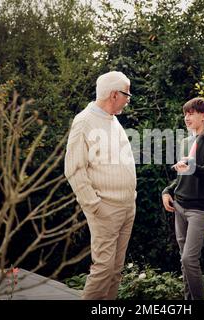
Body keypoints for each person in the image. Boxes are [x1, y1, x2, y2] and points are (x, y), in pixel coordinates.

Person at [64, 71, 137, 300]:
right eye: (127, 94)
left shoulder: (112, 120)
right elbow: (74, 169)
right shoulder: (84, 121)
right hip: (105, 207)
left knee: (115, 271)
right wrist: (94, 205)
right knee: (103, 269)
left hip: (126, 206)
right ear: (114, 94)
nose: (128, 99)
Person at [162, 97, 204, 300]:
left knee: (189, 259)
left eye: (191, 113)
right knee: (183, 260)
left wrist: (192, 166)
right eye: (185, 113)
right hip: (180, 205)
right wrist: (166, 191)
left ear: (203, 116)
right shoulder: (185, 142)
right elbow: (181, 177)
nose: (186, 117)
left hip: (199, 209)